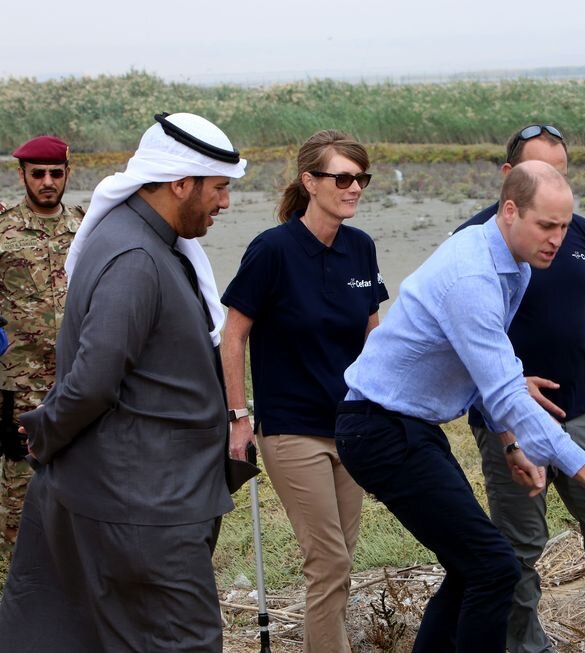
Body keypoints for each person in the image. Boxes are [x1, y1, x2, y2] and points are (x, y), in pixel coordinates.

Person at [336, 160, 585, 653]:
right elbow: (503, 391)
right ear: (510, 210)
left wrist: (510, 441)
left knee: (470, 568)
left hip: (410, 427)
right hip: (378, 430)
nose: (557, 239)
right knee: (494, 567)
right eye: (546, 225)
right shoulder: (472, 275)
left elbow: (485, 374)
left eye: (564, 227)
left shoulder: (512, 265)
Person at [0, 112, 247, 651]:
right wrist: (42, 432)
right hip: (144, 510)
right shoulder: (136, 258)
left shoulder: (143, 240)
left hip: (143, 497)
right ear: (181, 183)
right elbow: (91, 383)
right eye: (219, 189)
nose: (224, 203)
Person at [455, 124, 585, 653]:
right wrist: (507, 424)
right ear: (509, 182)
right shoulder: (472, 244)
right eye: (542, 175)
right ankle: (526, 647)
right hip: (510, 420)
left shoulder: (579, 232)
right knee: (519, 548)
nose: (555, 187)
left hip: (582, 407)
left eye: (562, 174)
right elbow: (468, 349)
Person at [221, 130, 388, 653]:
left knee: (342, 559)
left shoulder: (361, 248)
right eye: (343, 177)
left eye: (361, 178)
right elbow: (233, 334)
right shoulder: (272, 250)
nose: (354, 187)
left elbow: (374, 333)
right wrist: (238, 415)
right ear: (309, 182)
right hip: (292, 428)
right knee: (329, 561)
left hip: (352, 427)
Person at [0, 135, 83, 559]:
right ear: (22, 176)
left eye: (55, 173)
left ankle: (75, 573)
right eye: (38, 174)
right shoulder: (3, 230)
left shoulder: (89, 227)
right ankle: (18, 578)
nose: (47, 182)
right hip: (18, 380)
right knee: (19, 485)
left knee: (80, 473)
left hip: (77, 378)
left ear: (68, 174)